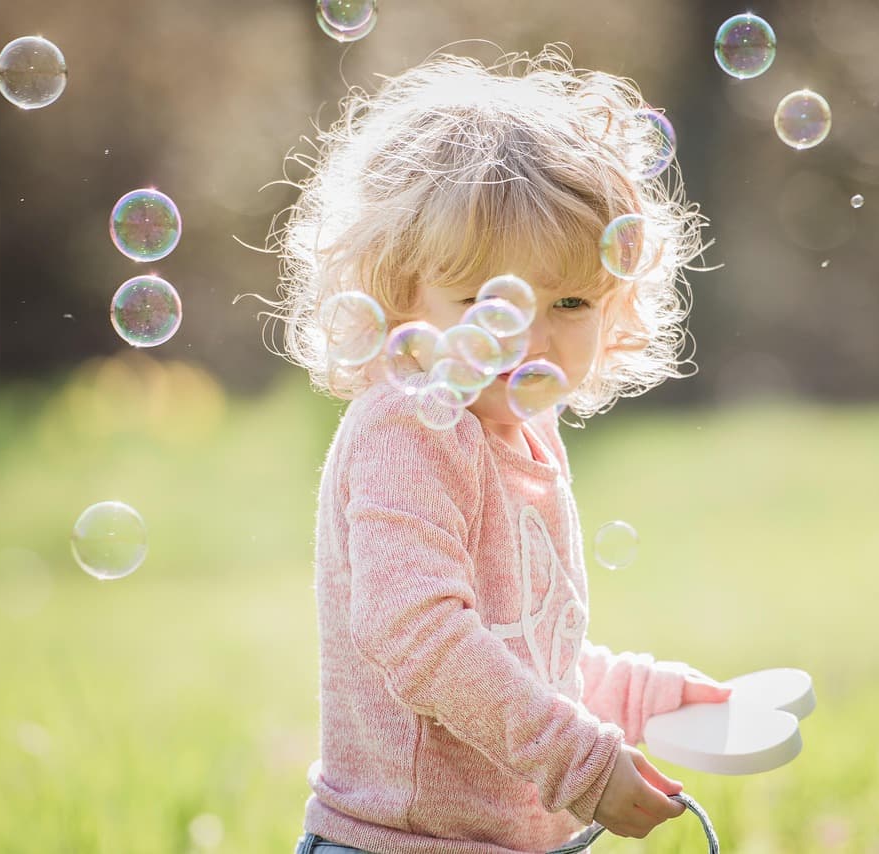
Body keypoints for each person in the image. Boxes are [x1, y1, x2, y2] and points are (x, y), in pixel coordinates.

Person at [269, 44, 729, 854]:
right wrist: (581, 763)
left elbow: (523, 649)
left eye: (573, 300)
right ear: (397, 289)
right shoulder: (411, 427)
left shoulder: (523, 429)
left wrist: (643, 699)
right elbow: (423, 639)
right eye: (487, 299)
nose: (532, 336)